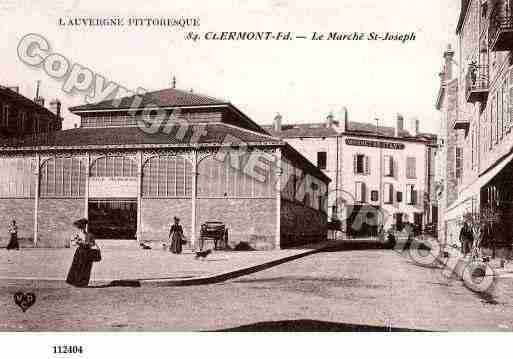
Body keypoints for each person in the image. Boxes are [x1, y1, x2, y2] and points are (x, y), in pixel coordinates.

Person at [66, 218, 96, 287]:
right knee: (78, 267)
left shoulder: (89, 235)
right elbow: (73, 244)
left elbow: (93, 244)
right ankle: (77, 282)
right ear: (80, 227)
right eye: (81, 227)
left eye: (84, 226)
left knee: (86, 267)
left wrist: (87, 243)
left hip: (87, 252)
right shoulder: (76, 235)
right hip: (80, 252)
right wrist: (77, 242)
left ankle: (84, 283)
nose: (83, 228)